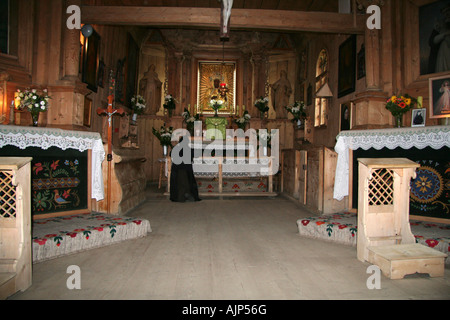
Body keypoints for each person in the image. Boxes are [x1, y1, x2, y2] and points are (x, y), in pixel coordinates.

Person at [170, 135, 201, 202]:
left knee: (180, 184)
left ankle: (179, 197)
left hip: (177, 170)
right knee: (187, 183)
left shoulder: (175, 149)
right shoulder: (189, 149)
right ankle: (188, 195)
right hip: (186, 170)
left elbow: (170, 154)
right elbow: (197, 154)